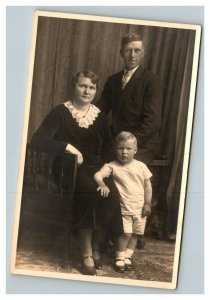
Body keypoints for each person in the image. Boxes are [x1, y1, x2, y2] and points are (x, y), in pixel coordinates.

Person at [30, 70, 123, 276]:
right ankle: (86, 252)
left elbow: (108, 147)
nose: (87, 91)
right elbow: (38, 140)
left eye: (92, 87)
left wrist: (107, 168)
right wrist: (67, 147)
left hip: (96, 168)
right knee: (90, 193)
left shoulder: (98, 116)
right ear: (73, 86)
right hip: (67, 168)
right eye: (83, 86)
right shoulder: (60, 112)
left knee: (112, 195)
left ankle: (97, 246)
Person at [98, 33, 163, 248]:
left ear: (142, 54)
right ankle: (113, 230)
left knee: (127, 173)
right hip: (118, 143)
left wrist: (130, 145)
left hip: (143, 142)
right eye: (128, 50)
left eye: (137, 50)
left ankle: (134, 230)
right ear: (121, 53)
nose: (132, 54)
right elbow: (100, 110)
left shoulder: (151, 81)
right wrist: (81, 118)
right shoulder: (113, 80)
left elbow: (152, 122)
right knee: (102, 169)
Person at [94, 131, 152, 272]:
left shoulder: (141, 166)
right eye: (120, 148)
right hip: (123, 207)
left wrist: (147, 203)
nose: (124, 152)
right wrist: (102, 184)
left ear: (135, 150)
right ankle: (119, 257)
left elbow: (147, 186)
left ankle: (127, 256)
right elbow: (98, 175)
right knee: (125, 233)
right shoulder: (112, 166)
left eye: (128, 149)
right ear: (115, 149)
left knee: (135, 234)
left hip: (139, 208)